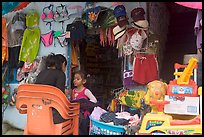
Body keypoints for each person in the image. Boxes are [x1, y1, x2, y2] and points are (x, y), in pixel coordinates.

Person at [35, 53, 67, 124]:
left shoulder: (41, 73)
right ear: (63, 64)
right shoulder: (60, 74)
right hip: (52, 112)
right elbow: (60, 95)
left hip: (37, 109)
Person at [71, 70, 97, 135]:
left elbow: (94, 100)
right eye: (74, 79)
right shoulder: (73, 91)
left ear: (84, 81)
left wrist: (85, 103)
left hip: (84, 114)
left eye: (78, 79)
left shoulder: (86, 91)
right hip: (76, 114)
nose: (75, 80)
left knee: (83, 131)